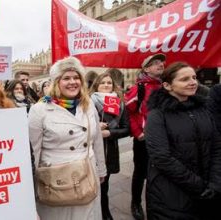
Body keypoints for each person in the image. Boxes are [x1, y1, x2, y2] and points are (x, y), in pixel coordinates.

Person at [29, 56, 106, 220]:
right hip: (57, 179)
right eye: (66, 78)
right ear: (56, 82)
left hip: (87, 172)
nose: (73, 82)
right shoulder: (39, 110)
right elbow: (33, 152)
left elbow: (97, 139)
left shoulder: (88, 104)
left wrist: (101, 169)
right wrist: (30, 189)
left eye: (76, 77)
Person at [145, 62, 221, 219]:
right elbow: (161, 157)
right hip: (171, 197)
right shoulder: (157, 115)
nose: (193, 82)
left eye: (194, 77)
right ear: (167, 85)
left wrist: (215, 183)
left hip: (209, 192)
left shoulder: (203, 109)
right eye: (185, 79)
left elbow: (217, 147)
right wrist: (198, 186)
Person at [124, 53, 165, 220]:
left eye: (162, 62)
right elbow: (129, 112)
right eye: (155, 63)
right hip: (144, 139)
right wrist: (138, 133)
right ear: (146, 69)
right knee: (140, 172)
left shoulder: (164, 87)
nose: (161, 65)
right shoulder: (138, 88)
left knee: (158, 172)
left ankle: (154, 203)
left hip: (162, 138)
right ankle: (136, 203)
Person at [90, 72, 130, 220]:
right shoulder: (88, 102)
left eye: (109, 83)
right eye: (103, 82)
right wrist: (95, 125)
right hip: (91, 150)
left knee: (104, 184)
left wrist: (110, 133)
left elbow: (127, 129)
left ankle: (105, 212)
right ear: (96, 85)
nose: (106, 85)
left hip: (109, 149)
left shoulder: (119, 103)